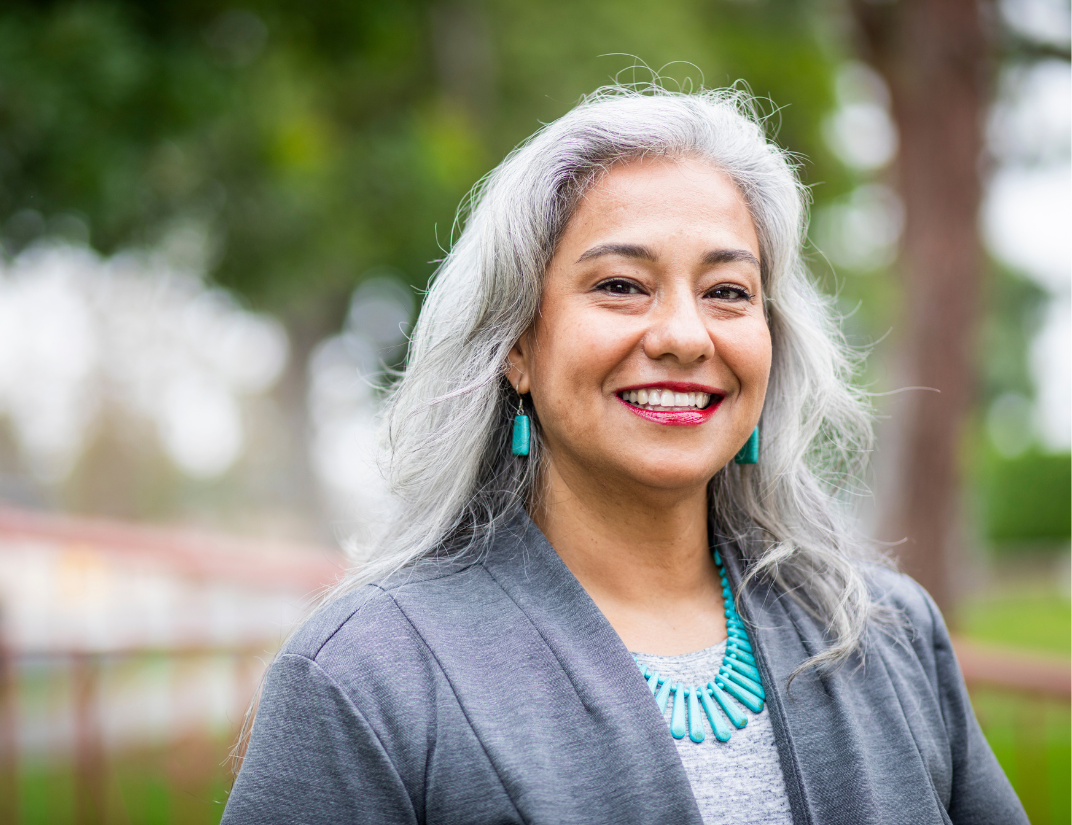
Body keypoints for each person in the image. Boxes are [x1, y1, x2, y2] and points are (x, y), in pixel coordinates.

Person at [222, 85, 1026, 825]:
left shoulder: (885, 632)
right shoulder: (367, 676)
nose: (683, 335)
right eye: (620, 285)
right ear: (518, 347)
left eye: (728, 292)